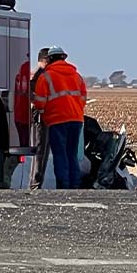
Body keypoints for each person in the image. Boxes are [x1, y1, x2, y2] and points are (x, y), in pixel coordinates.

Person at [33, 46, 87, 189]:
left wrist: (45, 113)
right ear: (64, 57)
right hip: (76, 120)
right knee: (72, 154)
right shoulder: (76, 76)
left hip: (57, 121)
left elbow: (39, 102)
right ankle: (74, 185)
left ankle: (63, 185)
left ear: (49, 59)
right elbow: (83, 97)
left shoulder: (45, 77)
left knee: (60, 154)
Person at [28, 47, 51, 189]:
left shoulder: (37, 74)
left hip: (40, 115)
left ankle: (36, 183)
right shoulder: (39, 75)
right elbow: (31, 95)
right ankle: (35, 184)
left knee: (41, 151)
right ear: (45, 60)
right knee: (40, 151)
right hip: (39, 117)